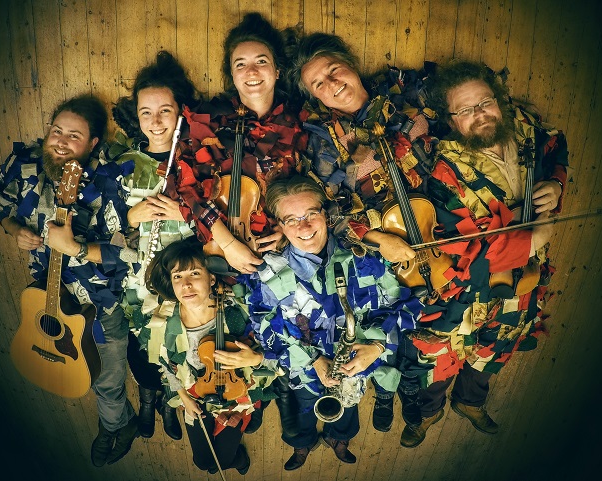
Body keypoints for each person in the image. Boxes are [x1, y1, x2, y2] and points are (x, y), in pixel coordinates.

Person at [399, 60, 568, 448]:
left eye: (485, 103)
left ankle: (470, 403)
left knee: (501, 340)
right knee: (440, 355)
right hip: (466, 286)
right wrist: (535, 239)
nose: (479, 115)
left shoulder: (528, 131)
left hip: (523, 277)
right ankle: (428, 414)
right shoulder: (443, 170)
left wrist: (556, 185)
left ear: (499, 101)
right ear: (451, 119)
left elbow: (559, 149)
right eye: (465, 110)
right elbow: (467, 250)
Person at [287, 31, 439, 433]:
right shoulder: (322, 144)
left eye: (334, 70)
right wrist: (378, 239)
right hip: (379, 254)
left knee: (437, 325)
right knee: (395, 322)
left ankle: (413, 391)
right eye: (319, 84)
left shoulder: (410, 95)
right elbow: (330, 215)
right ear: (315, 97)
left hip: (440, 233)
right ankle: (391, 392)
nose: (333, 84)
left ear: (351, 65)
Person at [0, 95, 139, 467]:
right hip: (45, 297)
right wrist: (14, 230)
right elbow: (1, 201)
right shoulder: (24, 164)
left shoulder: (111, 184)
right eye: (57, 131)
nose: (60, 141)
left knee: (106, 378)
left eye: (74, 136)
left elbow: (134, 254)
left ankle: (116, 426)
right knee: (74, 368)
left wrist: (76, 247)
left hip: (99, 306)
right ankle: (120, 421)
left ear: (92, 145)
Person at [176, 12, 304, 437]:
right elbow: (186, 188)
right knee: (213, 329)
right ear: (231, 75)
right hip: (214, 246)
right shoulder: (210, 119)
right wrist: (227, 242)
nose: (252, 72)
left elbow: (314, 189)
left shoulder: (297, 123)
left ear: (277, 68)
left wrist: (286, 229)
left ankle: (265, 400)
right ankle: (208, 403)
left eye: (261, 61)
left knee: (282, 324)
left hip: (276, 249)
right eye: (241, 64)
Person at [245, 175, 423, 469]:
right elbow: (264, 330)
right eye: (291, 220)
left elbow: (410, 307)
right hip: (302, 371)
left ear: (325, 215)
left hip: (357, 369)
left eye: (310, 214)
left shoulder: (365, 258)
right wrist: (311, 359)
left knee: (348, 409)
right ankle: (302, 444)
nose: (303, 227)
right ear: (280, 225)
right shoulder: (267, 273)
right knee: (302, 408)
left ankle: (340, 438)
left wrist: (378, 346)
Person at [108, 50, 200, 441]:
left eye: (165, 110)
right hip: (137, 274)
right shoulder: (122, 161)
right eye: (146, 112)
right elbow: (101, 222)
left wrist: (187, 215)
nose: (156, 121)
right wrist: (131, 217)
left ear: (181, 111)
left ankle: (172, 398)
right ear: (137, 116)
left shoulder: (199, 156)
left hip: (186, 272)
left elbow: (226, 219)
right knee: (140, 342)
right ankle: (149, 396)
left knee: (178, 337)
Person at [143, 237, 276, 475]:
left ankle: (237, 459)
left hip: (237, 395)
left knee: (221, 462)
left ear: (211, 278)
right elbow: (166, 366)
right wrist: (183, 397)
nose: (185, 285)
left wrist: (255, 359)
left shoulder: (238, 313)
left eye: (194, 273)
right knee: (202, 462)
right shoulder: (163, 322)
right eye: (177, 277)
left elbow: (281, 356)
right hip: (196, 393)